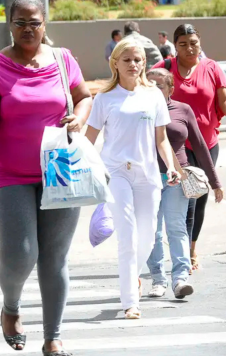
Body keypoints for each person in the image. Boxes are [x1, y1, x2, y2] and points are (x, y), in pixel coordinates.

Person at [0, 0, 92, 355]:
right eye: (20, 22)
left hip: (60, 170)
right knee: (21, 253)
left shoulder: (62, 59)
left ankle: (53, 337)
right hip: (10, 174)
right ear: (10, 24)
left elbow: (84, 97)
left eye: (34, 22)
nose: (27, 29)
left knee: (54, 257)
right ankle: (11, 307)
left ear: (44, 24)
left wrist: (79, 118)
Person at [85, 38, 180, 320]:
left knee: (148, 237)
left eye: (138, 60)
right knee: (126, 236)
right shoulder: (104, 98)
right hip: (116, 173)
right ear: (115, 63)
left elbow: (161, 139)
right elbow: (89, 140)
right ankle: (130, 301)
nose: (133, 65)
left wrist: (171, 166)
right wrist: (88, 171)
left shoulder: (153, 96)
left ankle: (133, 278)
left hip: (148, 173)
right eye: (127, 60)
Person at [151, 24, 226, 271]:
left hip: (207, 143)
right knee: (185, 199)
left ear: (200, 42)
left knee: (199, 196)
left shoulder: (212, 68)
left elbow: (224, 100)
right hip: (174, 145)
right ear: (175, 46)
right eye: (183, 43)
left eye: (193, 42)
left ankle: (191, 247)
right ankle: (181, 252)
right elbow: (141, 87)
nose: (189, 47)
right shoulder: (164, 68)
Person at [144, 68, 222, 300]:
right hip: (146, 179)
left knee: (176, 227)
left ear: (170, 88)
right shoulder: (139, 111)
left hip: (176, 177)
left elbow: (199, 145)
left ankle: (180, 279)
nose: (154, 89)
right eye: (149, 84)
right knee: (153, 231)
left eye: (159, 85)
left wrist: (215, 181)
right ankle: (158, 279)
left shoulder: (182, 109)